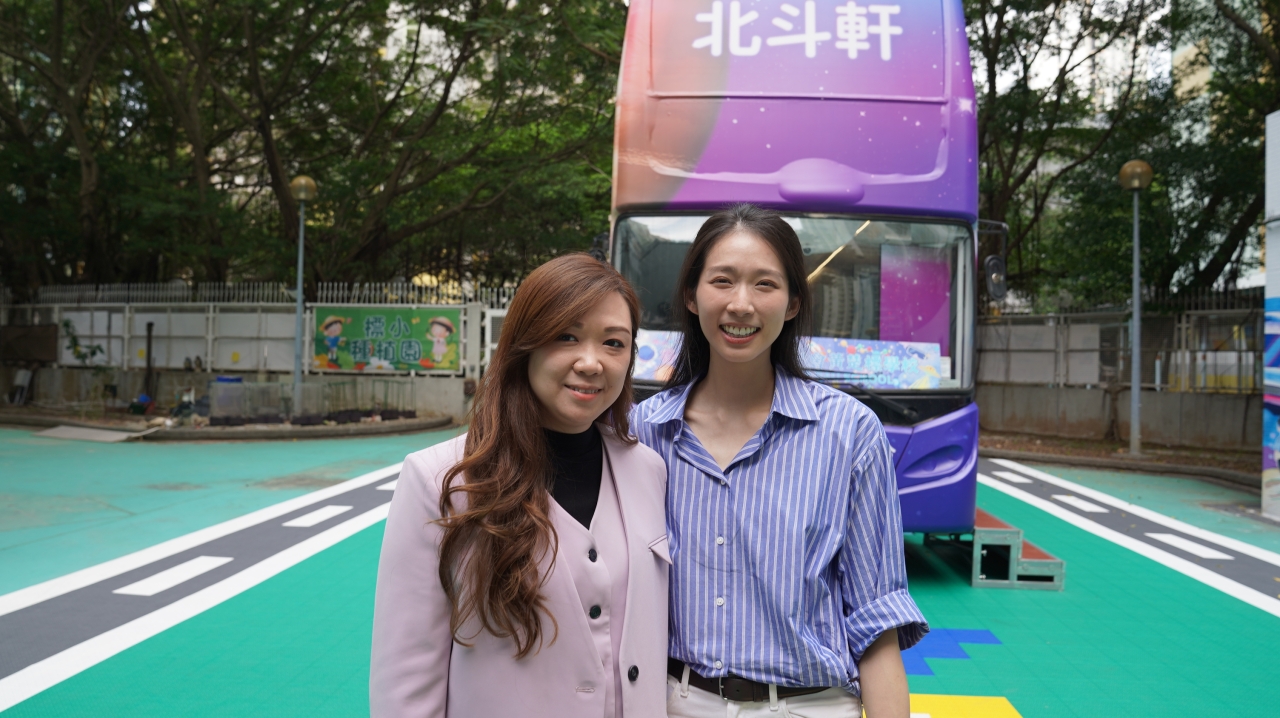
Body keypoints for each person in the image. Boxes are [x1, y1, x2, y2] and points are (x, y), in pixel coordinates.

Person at [631, 204, 928, 718]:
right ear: (691, 295)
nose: (741, 304)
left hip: (809, 706)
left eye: (764, 284)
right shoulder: (644, 432)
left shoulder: (849, 433)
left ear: (792, 303)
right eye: (722, 280)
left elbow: (876, 619)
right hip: (672, 701)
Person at [371, 254, 670, 718]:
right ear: (523, 345)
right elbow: (406, 680)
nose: (591, 362)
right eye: (566, 336)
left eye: (614, 343)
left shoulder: (648, 470)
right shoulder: (441, 480)